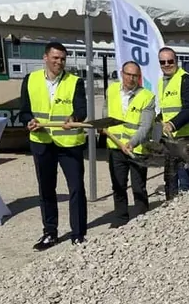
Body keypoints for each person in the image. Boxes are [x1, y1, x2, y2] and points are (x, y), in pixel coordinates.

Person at [18, 42, 88, 250]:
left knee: (76, 188)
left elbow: (81, 109)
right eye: (56, 58)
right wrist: (28, 121)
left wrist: (74, 117)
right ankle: (50, 233)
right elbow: (24, 111)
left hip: (69, 144)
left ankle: (78, 234)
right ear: (45, 58)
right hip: (42, 142)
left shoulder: (75, 81)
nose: (59, 62)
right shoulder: (30, 80)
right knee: (47, 190)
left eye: (63, 59)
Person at [104, 61, 155, 224]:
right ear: (122, 73)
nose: (131, 78)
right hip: (115, 147)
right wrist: (103, 127)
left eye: (135, 76)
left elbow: (145, 126)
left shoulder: (147, 97)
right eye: (128, 74)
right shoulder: (111, 90)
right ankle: (120, 220)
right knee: (118, 185)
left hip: (137, 149)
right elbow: (107, 112)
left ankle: (142, 219)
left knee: (138, 186)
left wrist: (132, 143)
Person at [157, 47, 189, 200]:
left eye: (170, 61)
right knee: (170, 178)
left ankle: (187, 215)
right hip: (170, 139)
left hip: (187, 138)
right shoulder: (162, 82)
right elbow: (166, 109)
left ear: (176, 61)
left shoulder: (186, 79)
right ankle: (170, 210)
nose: (167, 64)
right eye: (163, 62)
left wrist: (173, 124)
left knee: (185, 180)